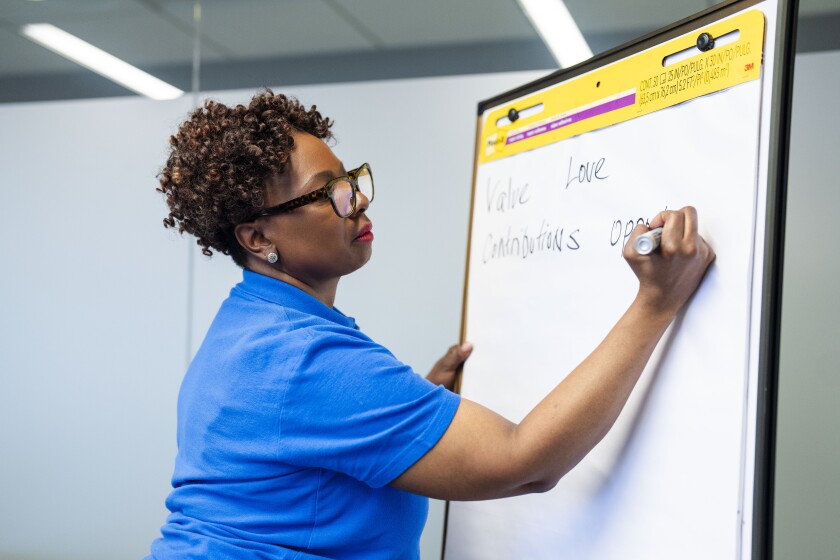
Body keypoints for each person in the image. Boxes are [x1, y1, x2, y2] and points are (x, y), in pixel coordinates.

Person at [146, 90, 714, 559]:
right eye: (329, 193)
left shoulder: (248, 327)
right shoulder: (305, 363)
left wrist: (424, 400)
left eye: (352, 181)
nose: (359, 202)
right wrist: (656, 303)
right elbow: (525, 464)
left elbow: (304, 458)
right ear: (258, 238)